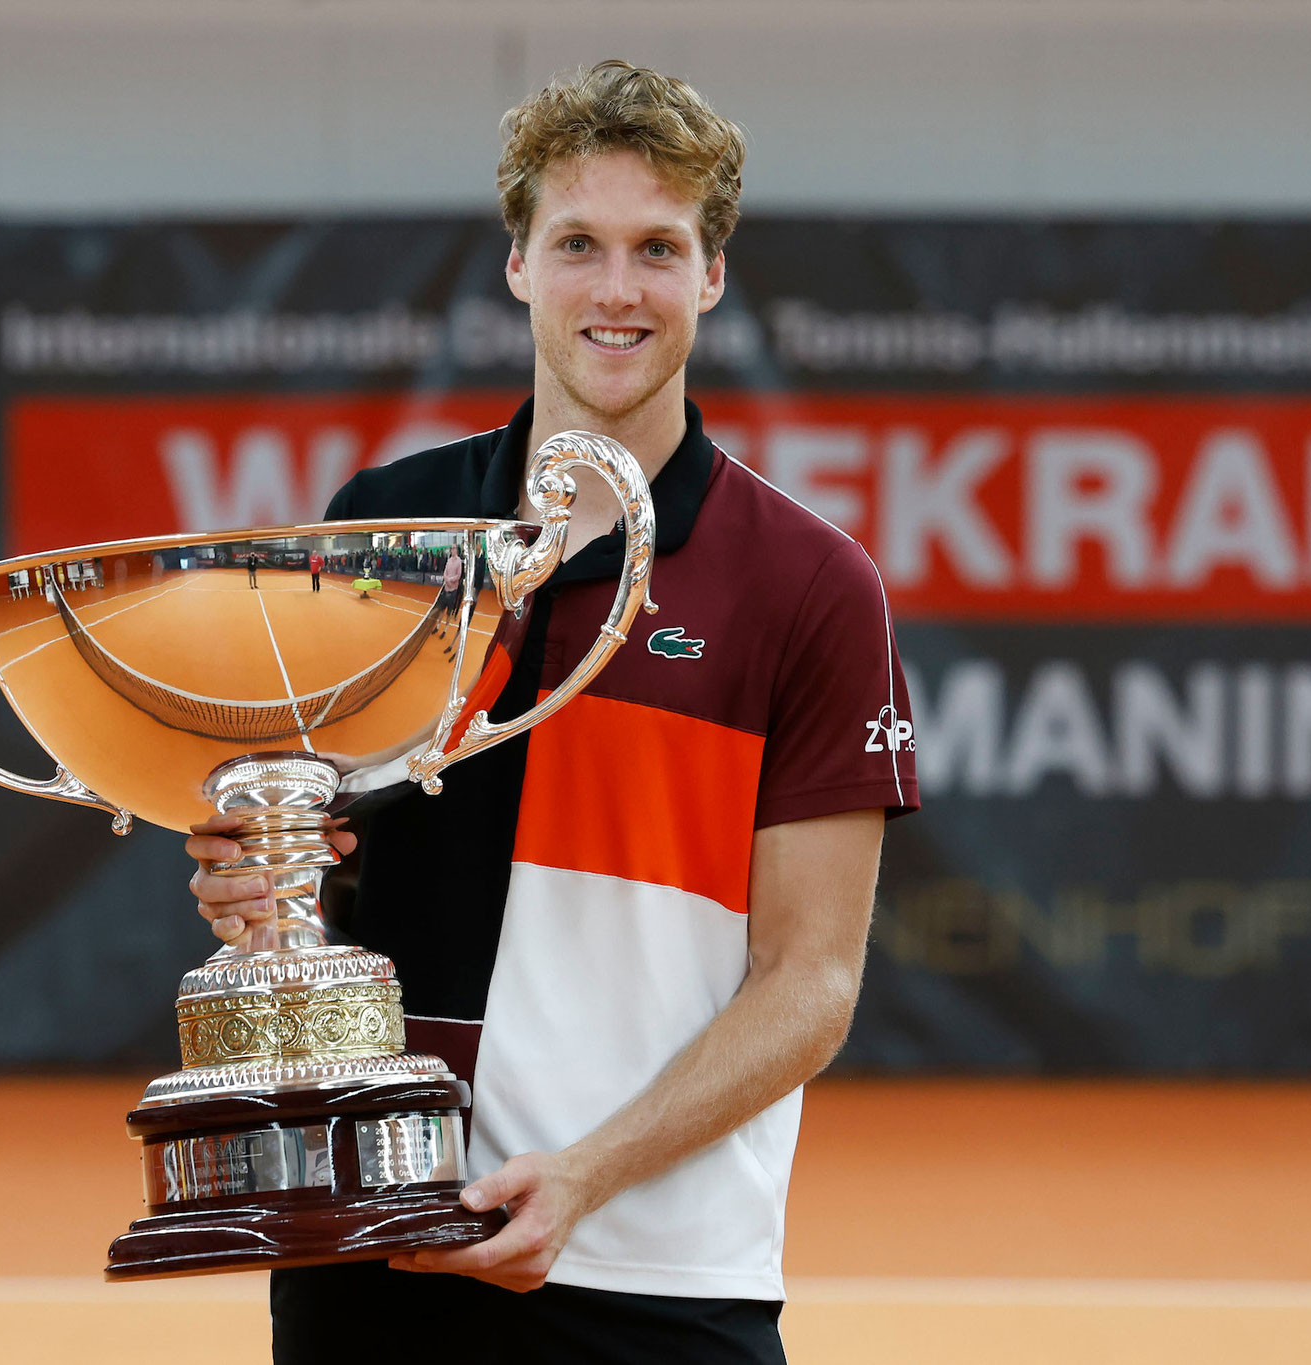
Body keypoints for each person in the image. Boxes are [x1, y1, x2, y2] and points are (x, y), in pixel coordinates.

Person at [187, 60, 917, 1365]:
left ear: (713, 274)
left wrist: (586, 1172)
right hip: (369, 1238)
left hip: (657, 1269)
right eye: (578, 242)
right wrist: (258, 887)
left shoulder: (809, 584)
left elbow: (813, 979)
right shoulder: (384, 531)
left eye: (658, 248)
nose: (618, 288)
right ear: (520, 263)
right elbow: (315, 874)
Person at [435, 545, 464, 657]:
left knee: (448, 612)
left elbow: (458, 575)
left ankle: (445, 630)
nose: (452, 550)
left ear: (457, 550)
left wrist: (450, 580)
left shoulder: (459, 562)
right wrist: (446, 579)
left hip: (453, 591)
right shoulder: (448, 560)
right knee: (441, 610)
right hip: (446, 588)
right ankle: (437, 627)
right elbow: (445, 572)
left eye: (454, 548)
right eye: (451, 548)